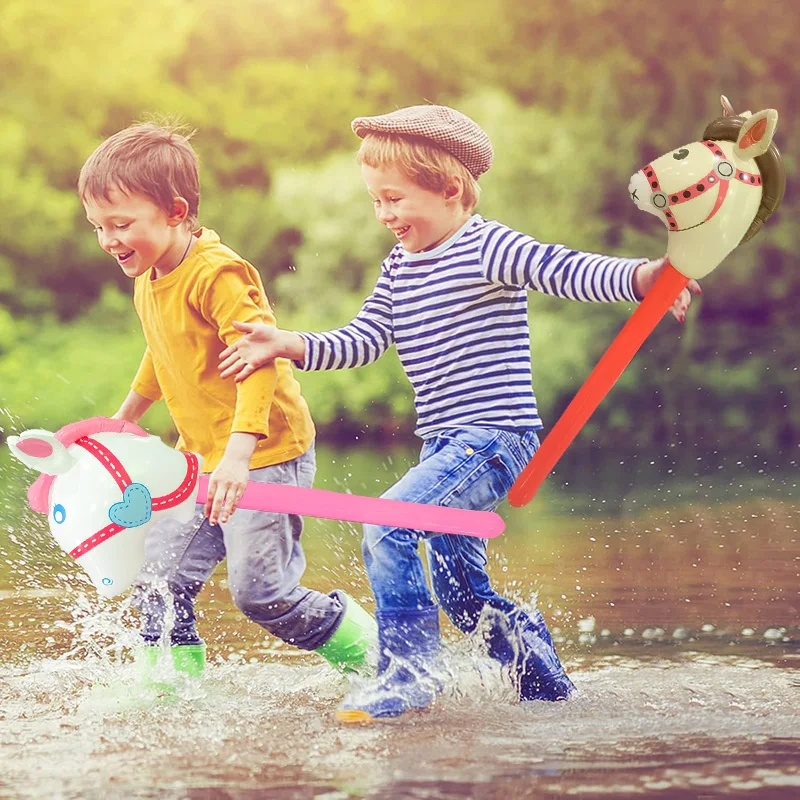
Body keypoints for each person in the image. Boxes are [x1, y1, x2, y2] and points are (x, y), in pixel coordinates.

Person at [217, 105, 701, 721]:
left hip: (493, 439)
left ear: (450, 190)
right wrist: (288, 343)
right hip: (445, 447)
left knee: (388, 525)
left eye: (394, 199)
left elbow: (563, 269)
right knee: (462, 595)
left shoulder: (486, 245)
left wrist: (642, 276)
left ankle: (411, 672)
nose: (384, 215)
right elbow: (362, 340)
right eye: (375, 202)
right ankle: (545, 682)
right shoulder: (399, 269)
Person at [78, 121, 376, 682]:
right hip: (202, 459)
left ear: (174, 211)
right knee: (156, 579)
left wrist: (239, 455)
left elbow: (261, 361)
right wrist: (126, 418)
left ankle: (381, 660)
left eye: (120, 224)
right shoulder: (149, 271)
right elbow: (162, 350)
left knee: (262, 595)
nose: (109, 240)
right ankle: (171, 687)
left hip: (264, 456)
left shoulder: (218, 273)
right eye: (98, 227)